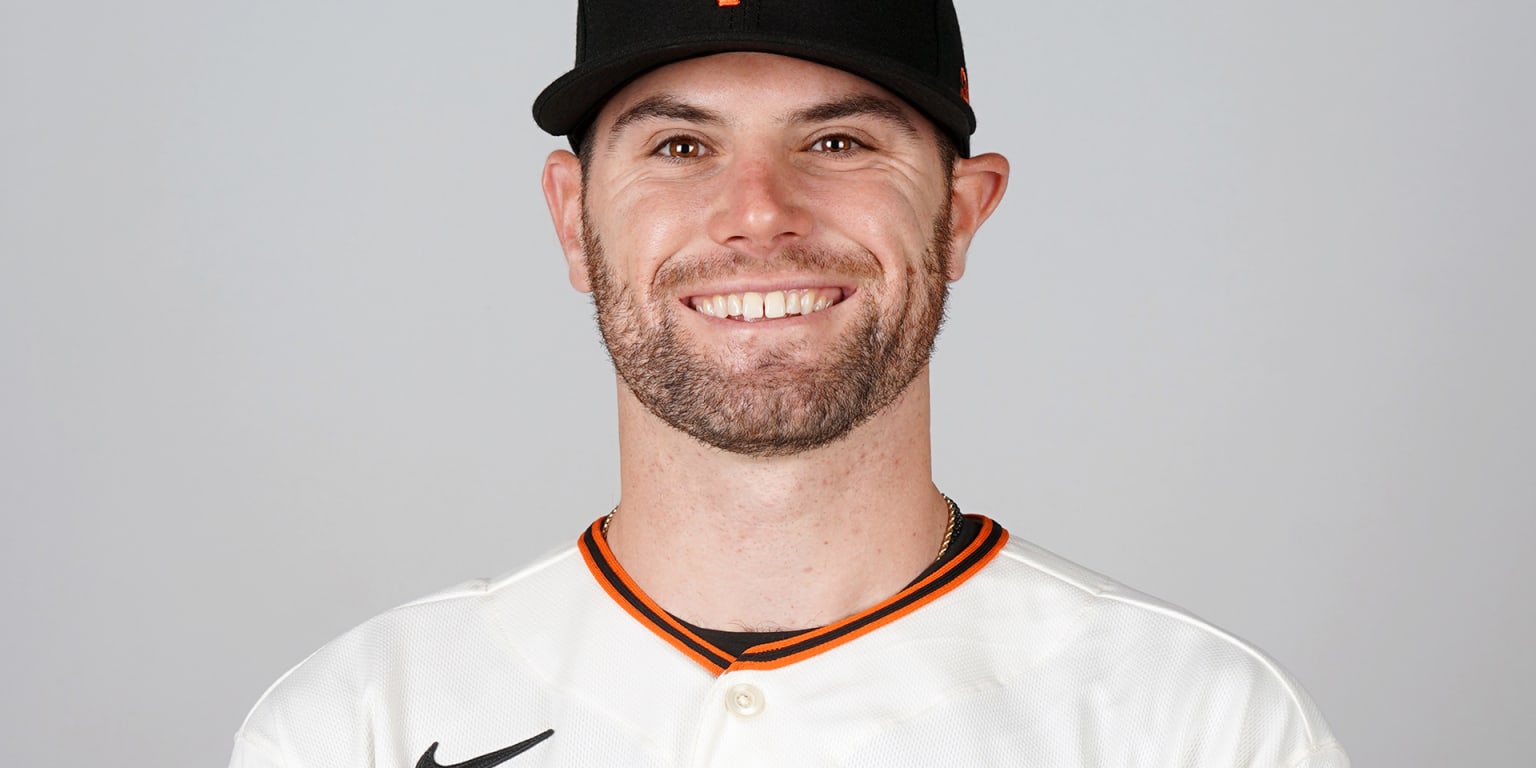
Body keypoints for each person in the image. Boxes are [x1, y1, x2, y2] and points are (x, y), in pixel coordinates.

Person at [230, 0, 1349, 765]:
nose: (758, 210)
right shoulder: (360, 725)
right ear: (574, 218)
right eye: (680, 147)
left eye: (838, 144)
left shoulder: (1192, 726)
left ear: (960, 213)